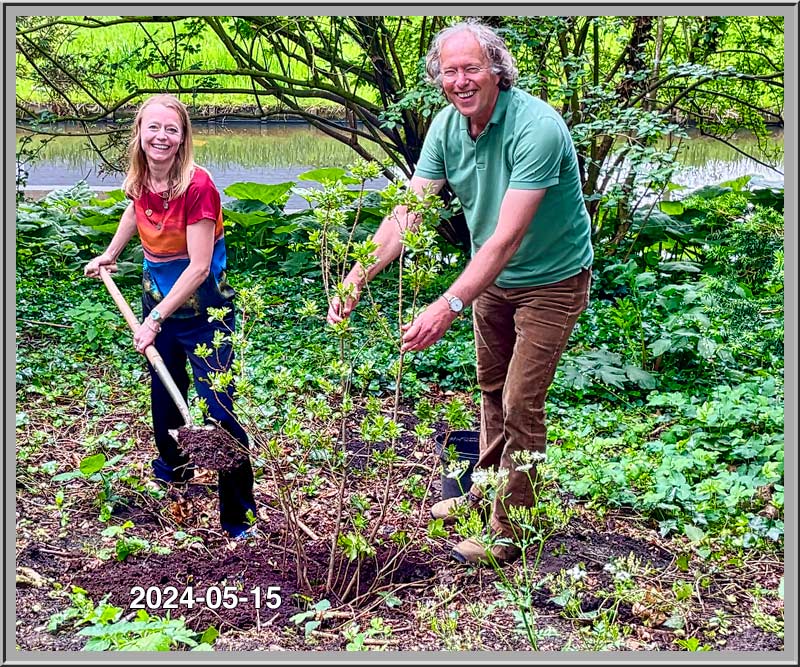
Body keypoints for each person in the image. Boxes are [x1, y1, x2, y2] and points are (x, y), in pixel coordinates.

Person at [327, 21, 593, 565]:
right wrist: (358, 274)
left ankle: (509, 529)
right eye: (449, 71)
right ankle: (485, 487)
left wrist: (448, 304)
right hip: (492, 282)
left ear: (497, 69)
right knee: (492, 390)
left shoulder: (536, 128)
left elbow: (504, 239)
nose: (460, 80)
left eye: (472, 68)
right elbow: (410, 212)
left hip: (552, 279)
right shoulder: (448, 127)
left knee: (521, 401)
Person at [84, 94, 256, 539]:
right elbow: (134, 209)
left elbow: (199, 267)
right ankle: (175, 476)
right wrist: (111, 253)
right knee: (165, 400)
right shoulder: (142, 176)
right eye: (153, 128)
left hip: (205, 315)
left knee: (219, 412)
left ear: (183, 138)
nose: (161, 137)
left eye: (171, 130)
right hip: (156, 307)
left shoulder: (197, 187)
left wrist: (155, 318)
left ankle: (239, 518)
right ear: (140, 133)